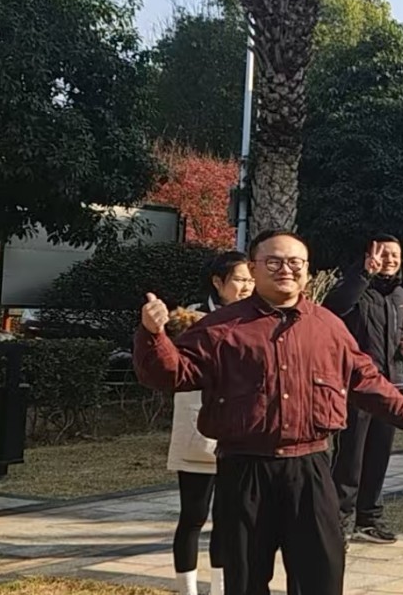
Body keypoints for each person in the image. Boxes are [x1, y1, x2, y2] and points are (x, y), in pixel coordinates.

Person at [134, 230, 403, 595]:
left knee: (321, 576)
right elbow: (172, 374)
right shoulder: (220, 327)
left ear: (307, 270)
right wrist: (152, 335)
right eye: (274, 262)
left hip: (310, 468)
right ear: (253, 269)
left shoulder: (327, 325)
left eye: (295, 262)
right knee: (246, 581)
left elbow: (364, 378)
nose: (286, 270)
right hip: (244, 469)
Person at [165, 251, 253, 595]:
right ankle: (187, 590)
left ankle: (220, 588)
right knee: (193, 515)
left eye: (251, 280)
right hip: (198, 429)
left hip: (240, 433)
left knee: (229, 519)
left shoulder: (256, 318)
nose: (247, 287)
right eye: (240, 279)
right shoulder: (191, 321)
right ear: (218, 282)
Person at [322, 234, 403, 545]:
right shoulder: (356, 287)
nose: (390, 260)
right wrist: (364, 274)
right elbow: (332, 309)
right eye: (384, 254)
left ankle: (369, 519)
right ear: (368, 255)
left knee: (379, 456)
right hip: (357, 387)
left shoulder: (400, 294)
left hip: (390, 387)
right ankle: (338, 521)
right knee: (350, 457)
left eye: (395, 255)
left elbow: (401, 332)